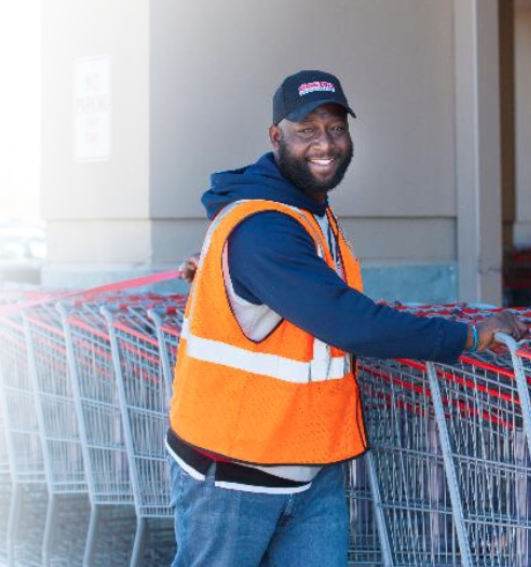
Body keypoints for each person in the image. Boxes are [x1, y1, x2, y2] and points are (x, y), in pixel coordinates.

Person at [166, 69, 527, 567]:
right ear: (276, 137)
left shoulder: (307, 212)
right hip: (233, 475)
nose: (326, 143)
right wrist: (468, 336)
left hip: (311, 467)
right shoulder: (264, 228)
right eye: (307, 130)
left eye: (335, 128)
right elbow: (350, 321)